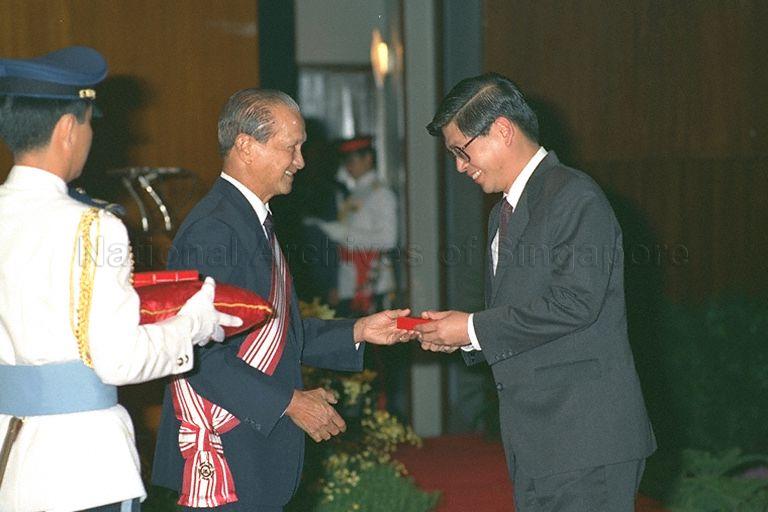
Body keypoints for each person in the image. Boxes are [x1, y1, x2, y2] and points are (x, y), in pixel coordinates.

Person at [0, 46, 241, 512]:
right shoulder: (93, 227)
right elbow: (120, 361)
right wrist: (193, 323)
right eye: (90, 123)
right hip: (80, 469)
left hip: (10, 461)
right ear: (69, 128)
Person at [151, 88, 415, 512]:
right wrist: (290, 402)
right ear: (245, 147)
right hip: (224, 457)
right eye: (290, 148)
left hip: (252, 455)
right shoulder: (215, 230)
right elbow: (196, 356)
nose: (301, 161)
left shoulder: (253, 219)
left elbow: (277, 333)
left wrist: (359, 329)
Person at [415, 72, 656, 511]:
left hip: (585, 440)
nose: (459, 167)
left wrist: (470, 328)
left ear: (502, 131)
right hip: (541, 441)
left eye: (460, 151)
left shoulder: (574, 195)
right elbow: (520, 314)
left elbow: (575, 303)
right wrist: (459, 336)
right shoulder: (506, 211)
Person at [306, 135, 398, 317]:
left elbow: (388, 240)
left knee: (375, 341)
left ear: (368, 159)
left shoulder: (381, 194)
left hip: (372, 281)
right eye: (345, 161)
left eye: (352, 160)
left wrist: (342, 233)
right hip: (350, 280)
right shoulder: (355, 193)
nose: (348, 167)